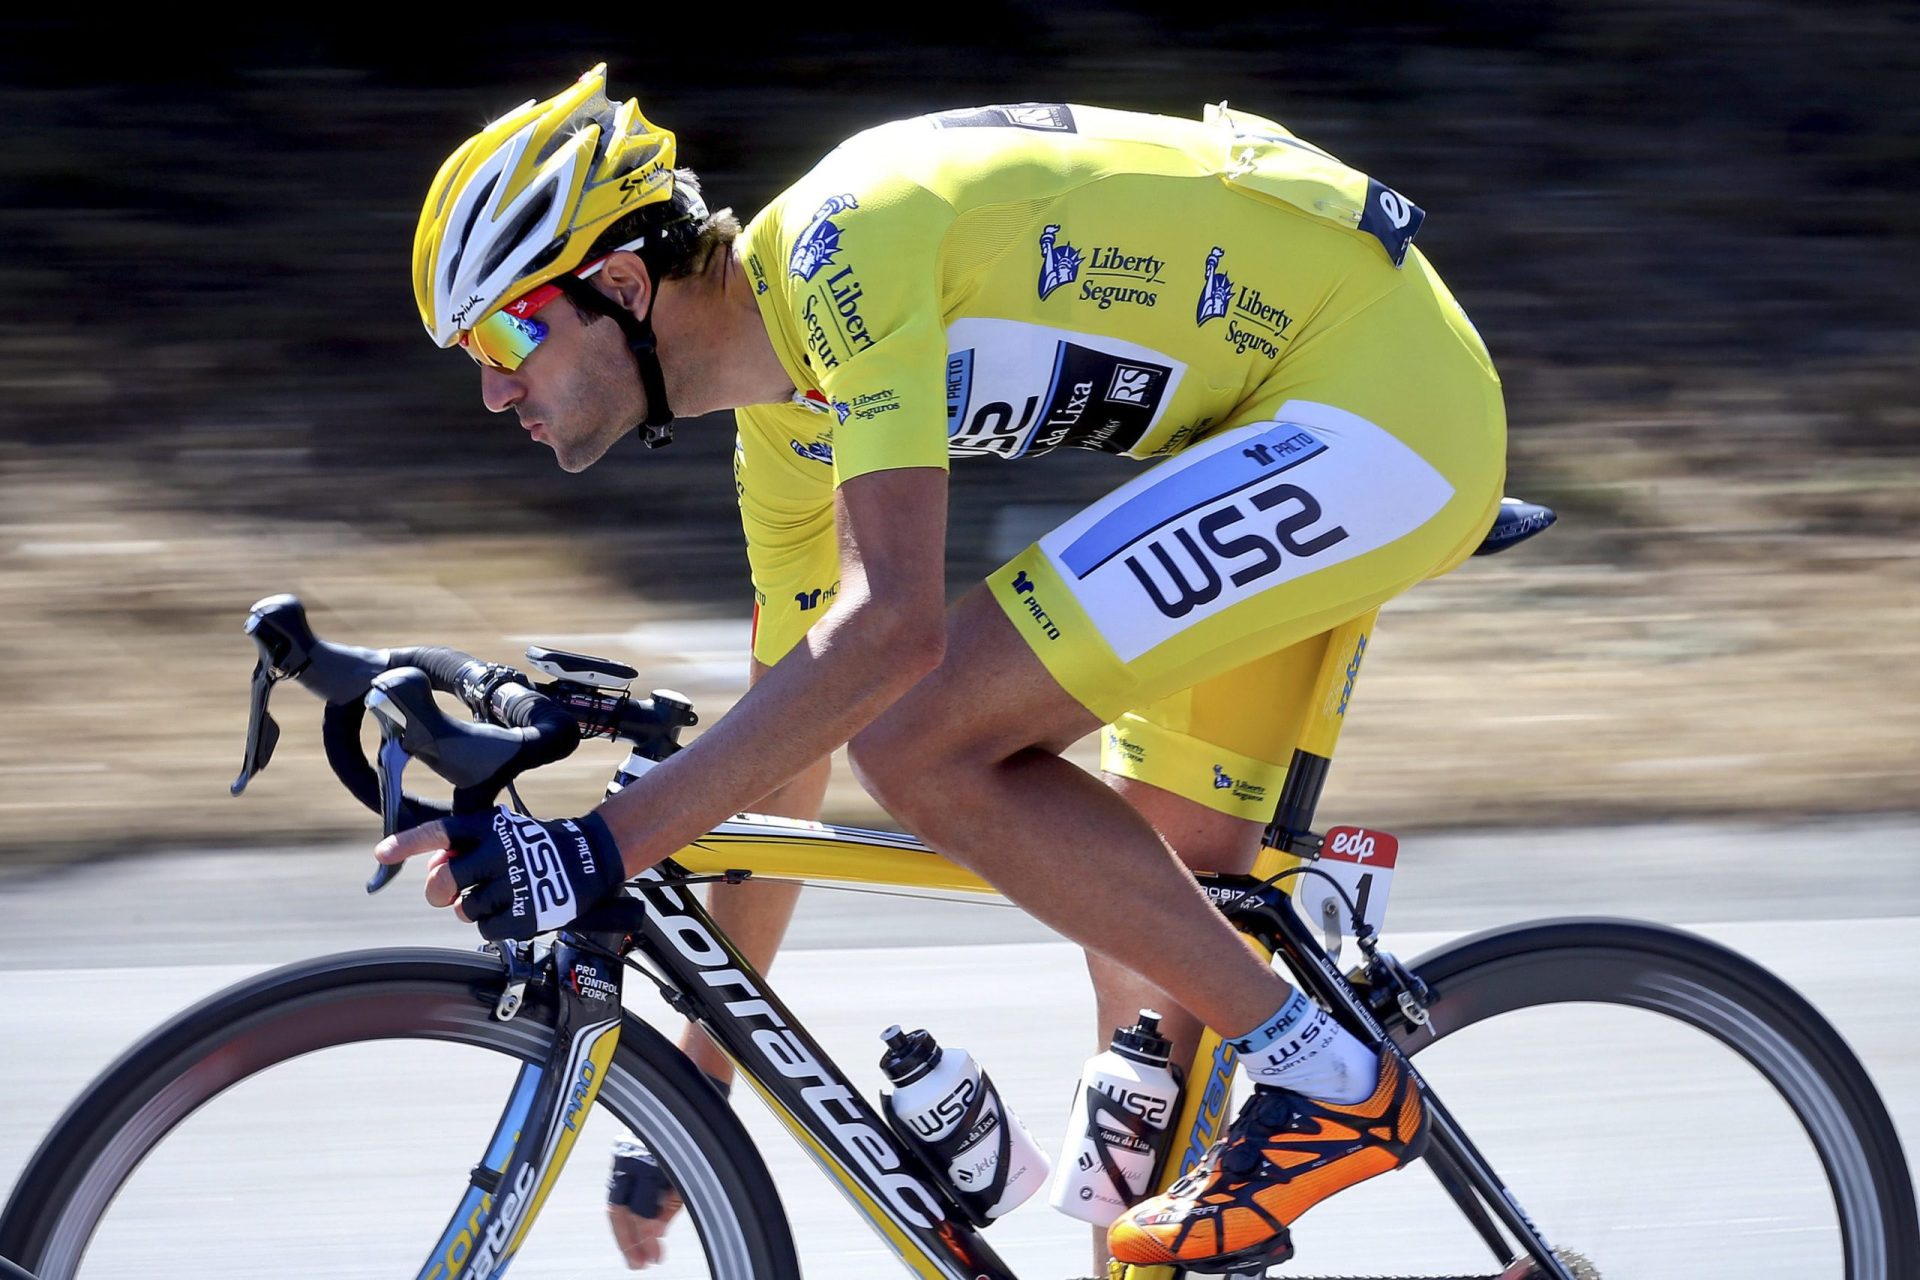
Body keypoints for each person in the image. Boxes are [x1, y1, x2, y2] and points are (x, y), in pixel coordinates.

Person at [385, 65, 1506, 1274]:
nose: (495, 387)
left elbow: (893, 635)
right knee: (1152, 1023)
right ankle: (1291, 1080)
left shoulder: (841, 251)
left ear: (618, 283)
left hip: (1384, 408)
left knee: (918, 734)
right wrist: (698, 1091)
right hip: (1280, 430)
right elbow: (785, 752)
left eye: (508, 332)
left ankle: (1336, 1080)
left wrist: (600, 846)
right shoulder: (785, 428)